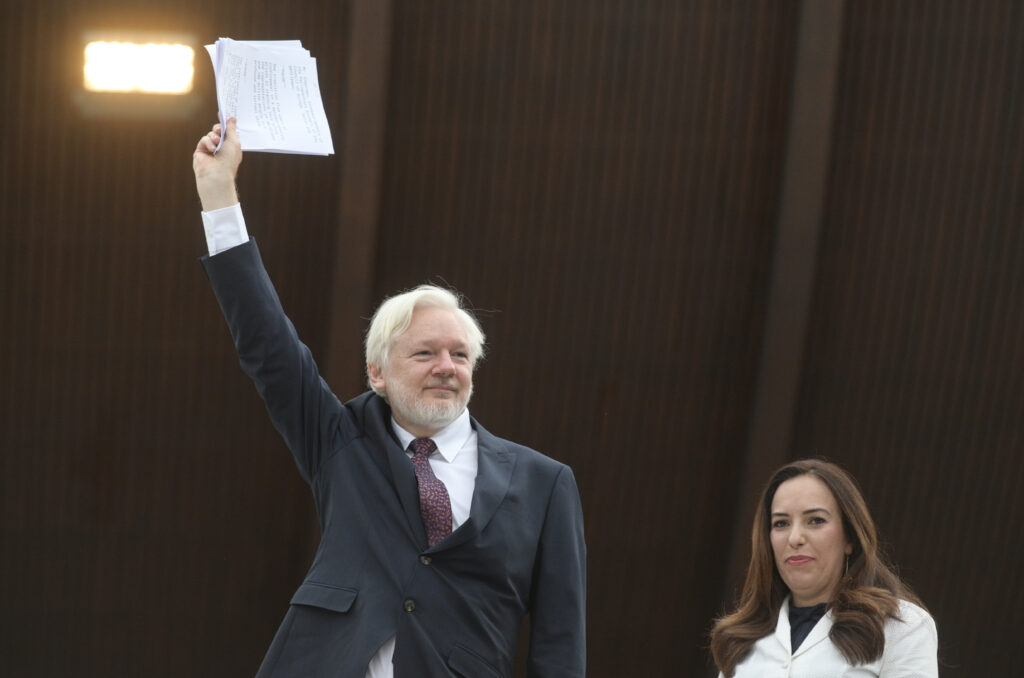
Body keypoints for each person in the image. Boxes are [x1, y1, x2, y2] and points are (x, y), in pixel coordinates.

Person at [192, 119, 586, 678]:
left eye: (459, 355)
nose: (445, 368)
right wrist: (218, 195)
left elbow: (560, 644)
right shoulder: (340, 441)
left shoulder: (544, 485)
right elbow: (267, 345)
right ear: (376, 372)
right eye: (425, 354)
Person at [710, 459, 937, 677]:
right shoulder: (741, 637)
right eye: (781, 523)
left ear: (850, 537)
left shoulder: (901, 625)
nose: (795, 537)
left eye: (815, 520)